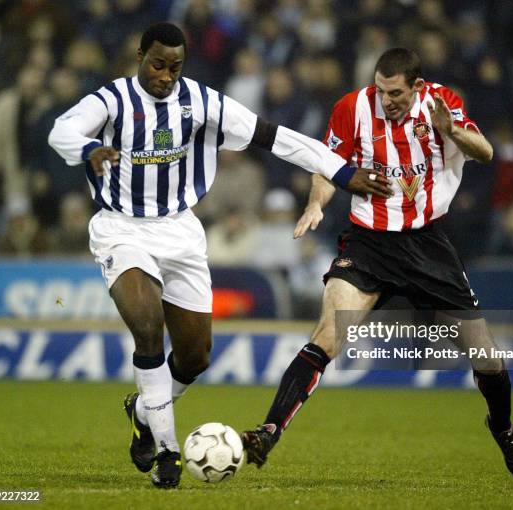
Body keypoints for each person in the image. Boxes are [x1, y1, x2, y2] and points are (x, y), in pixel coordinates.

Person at [48, 22, 390, 489]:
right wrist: (90, 148)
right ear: (140, 55)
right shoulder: (112, 100)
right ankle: (167, 453)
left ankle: (144, 413)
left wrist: (342, 171)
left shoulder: (203, 102)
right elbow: (60, 131)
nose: (166, 76)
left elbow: (277, 137)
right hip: (121, 228)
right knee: (148, 329)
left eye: (175, 67)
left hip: (182, 232)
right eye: (157, 65)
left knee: (194, 358)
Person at [242, 48, 513, 481]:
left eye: (395, 92)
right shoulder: (351, 107)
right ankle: (268, 431)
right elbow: (326, 166)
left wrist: (450, 129)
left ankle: (504, 429)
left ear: (416, 86)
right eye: (380, 90)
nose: (386, 100)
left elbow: (486, 152)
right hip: (368, 243)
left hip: (426, 245)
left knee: (488, 359)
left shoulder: (440, 102)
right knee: (327, 333)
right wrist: (316, 205)